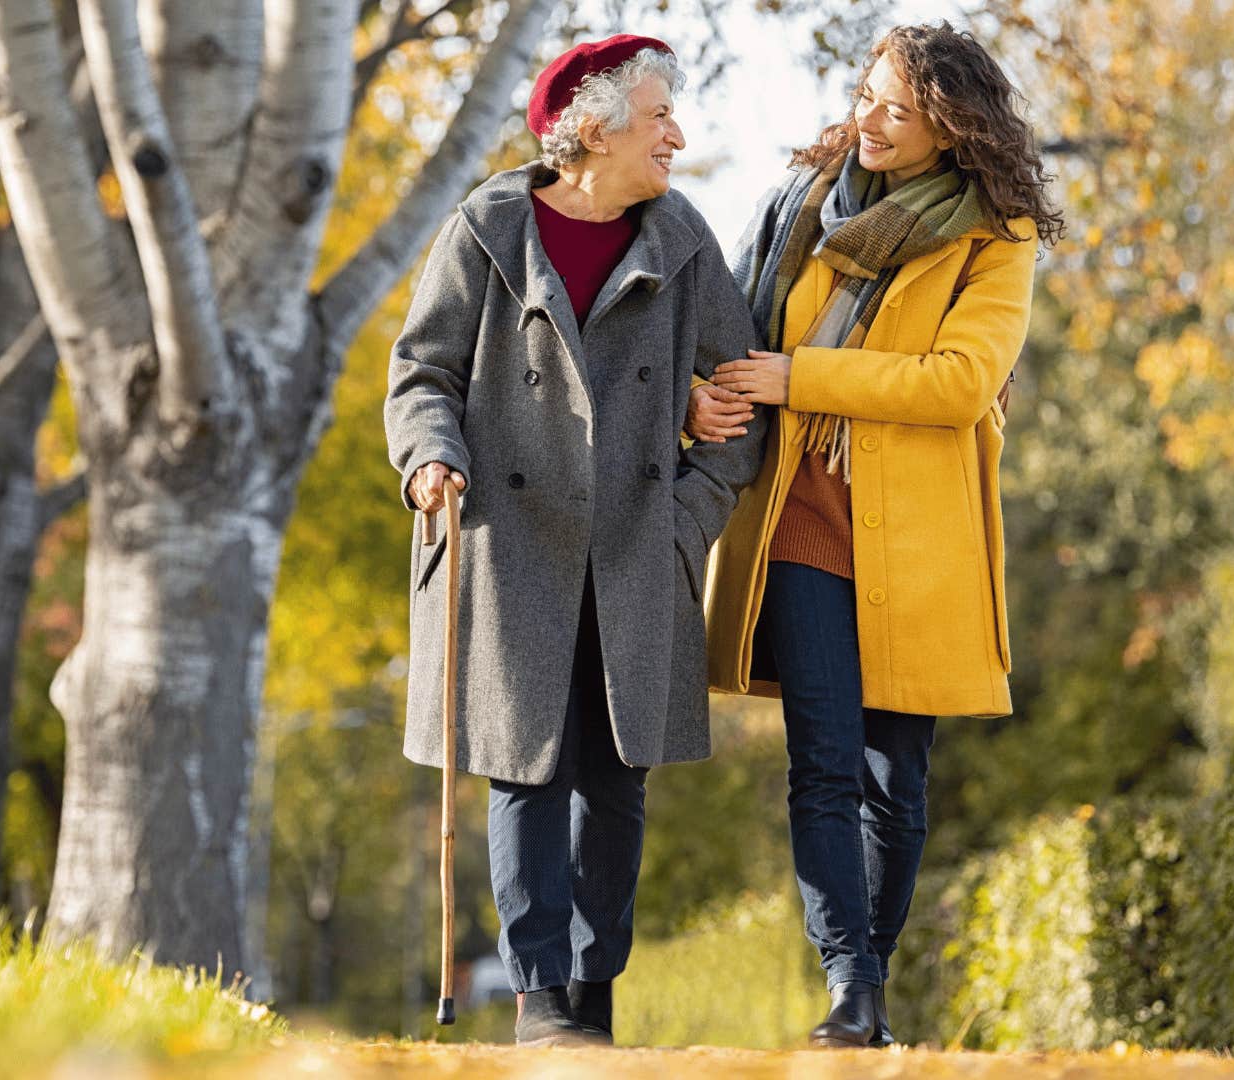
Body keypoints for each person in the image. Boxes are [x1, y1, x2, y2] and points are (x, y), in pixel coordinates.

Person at [684, 21, 1065, 1049]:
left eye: (899, 109)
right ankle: (851, 990)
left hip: (919, 540)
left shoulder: (996, 238)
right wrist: (703, 397)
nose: (871, 120)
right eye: (866, 95)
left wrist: (802, 377)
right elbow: (731, 335)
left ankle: (871, 984)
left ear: (952, 128)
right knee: (825, 761)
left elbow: (957, 383)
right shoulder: (801, 206)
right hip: (800, 514)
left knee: (898, 780)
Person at [383, 34, 769, 1047]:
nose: (677, 137)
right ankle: (541, 997)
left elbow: (742, 400)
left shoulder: (681, 237)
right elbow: (423, 374)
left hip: (638, 548)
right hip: (512, 543)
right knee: (527, 769)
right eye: (658, 120)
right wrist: (429, 456)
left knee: (615, 776)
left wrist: (686, 524)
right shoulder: (488, 229)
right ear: (592, 133)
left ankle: (595, 995)